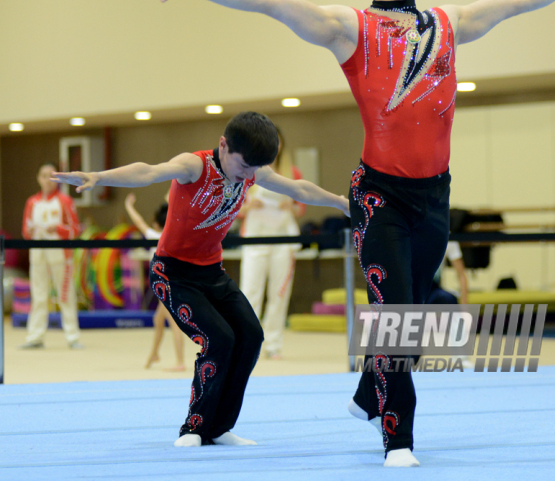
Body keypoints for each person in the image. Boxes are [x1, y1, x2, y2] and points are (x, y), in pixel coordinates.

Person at [125, 0, 555, 466]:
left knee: (421, 309)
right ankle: (397, 438)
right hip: (380, 195)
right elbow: (269, 2)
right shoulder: (349, 29)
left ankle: (367, 389)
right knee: (397, 313)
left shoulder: (446, 24)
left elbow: (514, 0)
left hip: (434, 196)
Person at [52, 112, 349, 448]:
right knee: (219, 339)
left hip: (211, 272)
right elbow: (148, 171)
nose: (248, 177)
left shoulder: (251, 170)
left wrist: (341, 203)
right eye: (243, 166)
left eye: (254, 170)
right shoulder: (195, 166)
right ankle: (194, 427)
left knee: (251, 336)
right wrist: (97, 176)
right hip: (172, 273)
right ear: (223, 145)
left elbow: (297, 188)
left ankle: (219, 427)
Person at [239, 128, 305, 359]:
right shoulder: (247, 171)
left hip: (283, 240)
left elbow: (301, 206)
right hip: (255, 239)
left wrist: (292, 207)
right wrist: (248, 207)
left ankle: (273, 343)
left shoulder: (292, 172)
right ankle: (248, 342)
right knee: (250, 292)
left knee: (279, 294)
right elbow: (233, 206)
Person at [20, 163, 82, 349]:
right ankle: (35, 336)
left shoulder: (65, 201)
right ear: (38, 178)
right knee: (38, 295)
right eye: (43, 175)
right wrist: (31, 231)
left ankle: (72, 337)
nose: (46, 179)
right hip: (38, 254)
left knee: (65, 295)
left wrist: (58, 229)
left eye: (50, 175)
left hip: (60, 255)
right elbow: (25, 231)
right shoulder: (32, 202)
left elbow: (75, 230)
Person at [124, 193, 186, 370]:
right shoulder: (175, 235)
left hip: (168, 286)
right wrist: (171, 198)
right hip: (172, 283)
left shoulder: (153, 234)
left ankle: (180, 362)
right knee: (158, 319)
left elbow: (138, 222)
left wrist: (129, 205)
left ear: (157, 224)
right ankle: (154, 353)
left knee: (174, 323)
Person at [426, 241, 469, 305]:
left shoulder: (448, 237)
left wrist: (464, 307)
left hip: (433, 288)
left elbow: (461, 275)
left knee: (447, 299)